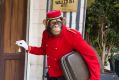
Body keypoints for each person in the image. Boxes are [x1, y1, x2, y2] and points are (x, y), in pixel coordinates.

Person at [16, 10, 100, 80]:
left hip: (66, 76)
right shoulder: (46, 34)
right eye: (53, 23)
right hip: (51, 75)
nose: (56, 26)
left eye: (58, 23)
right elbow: (44, 50)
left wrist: (94, 78)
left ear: (62, 22)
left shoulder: (72, 35)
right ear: (47, 24)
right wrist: (27, 47)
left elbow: (91, 56)